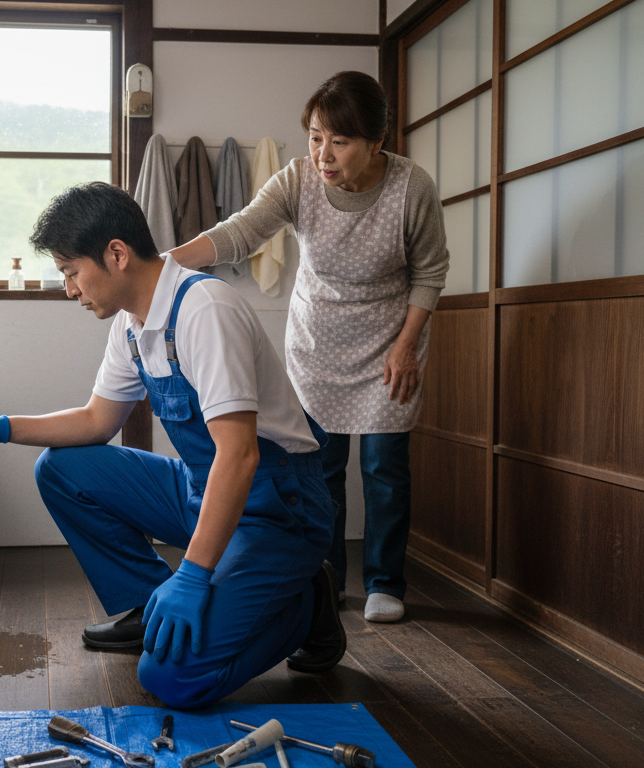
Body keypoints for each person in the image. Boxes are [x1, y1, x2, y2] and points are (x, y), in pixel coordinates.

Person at [0, 182, 344, 709]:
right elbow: (96, 421)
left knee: (173, 679)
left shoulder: (204, 309)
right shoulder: (132, 324)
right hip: (206, 490)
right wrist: (3, 426)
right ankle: (152, 607)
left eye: (71, 272)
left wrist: (193, 575)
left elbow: (240, 454)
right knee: (62, 469)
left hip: (279, 509)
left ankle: (309, 603)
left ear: (117, 254)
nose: (69, 290)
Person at [169, 71, 449, 623]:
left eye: (339, 141)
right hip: (317, 343)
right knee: (320, 467)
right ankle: (326, 581)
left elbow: (430, 272)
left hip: (391, 344)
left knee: (384, 468)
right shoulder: (297, 180)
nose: (323, 154)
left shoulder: (411, 187)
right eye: (316, 137)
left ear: (377, 141)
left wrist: (406, 346)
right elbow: (239, 232)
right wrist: (163, 265)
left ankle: (384, 583)